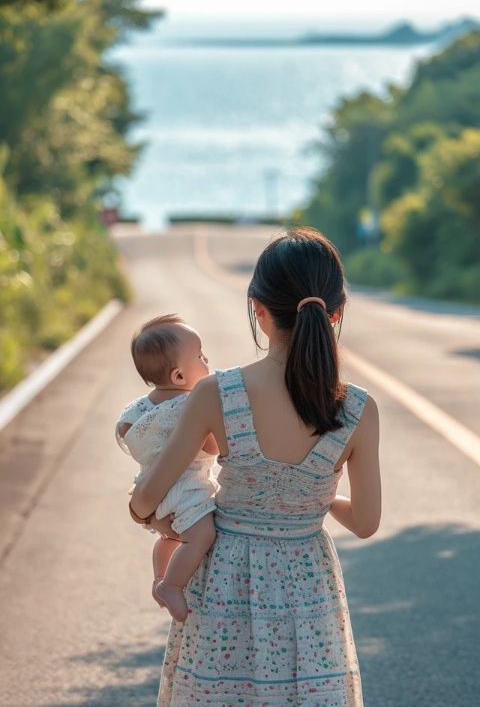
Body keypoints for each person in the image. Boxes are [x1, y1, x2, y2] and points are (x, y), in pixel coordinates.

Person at [130, 227, 381, 707]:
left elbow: (145, 500)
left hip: (225, 583)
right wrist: (310, 495)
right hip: (310, 588)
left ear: (258, 310)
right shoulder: (358, 410)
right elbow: (366, 523)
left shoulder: (216, 393)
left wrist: (154, 516)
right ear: (338, 313)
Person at [116, 314, 218, 622]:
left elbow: (123, 429)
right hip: (186, 490)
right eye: (199, 356)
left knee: (168, 538)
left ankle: (159, 576)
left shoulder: (140, 407)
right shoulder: (191, 405)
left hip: (149, 485)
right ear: (178, 376)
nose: (206, 359)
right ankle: (172, 585)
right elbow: (212, 447)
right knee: (201, 535)